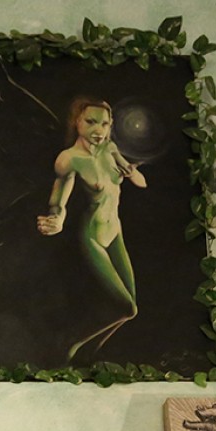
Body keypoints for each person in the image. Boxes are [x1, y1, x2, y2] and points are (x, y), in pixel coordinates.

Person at [37, 99, 147, 362]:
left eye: (105, 124)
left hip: (115, 232)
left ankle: (89, 356)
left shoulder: (110, 148)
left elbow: (140, 182)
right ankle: (69, 344)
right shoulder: (70, 159)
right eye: (91, 122)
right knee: (127, 307)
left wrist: (131, 173)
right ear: (77, 121)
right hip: (93, 236)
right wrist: (57, 219)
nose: (99, 129)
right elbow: (58, 201)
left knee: (129, 310)